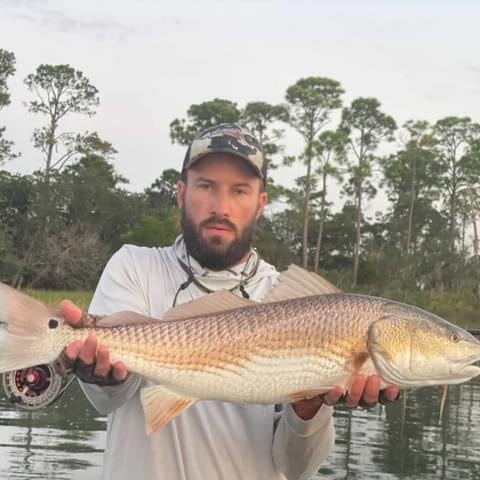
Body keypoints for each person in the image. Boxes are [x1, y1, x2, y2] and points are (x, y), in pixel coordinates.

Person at [61, 123, 399, 480]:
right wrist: (99, 372)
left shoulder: (295, 299)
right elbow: (107, 401)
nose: (221, 207)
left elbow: (298, 469)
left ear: (260, 204)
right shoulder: (134, 266)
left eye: (240, 191)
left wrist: (308, 406)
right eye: (206, 186)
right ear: (181, 192)